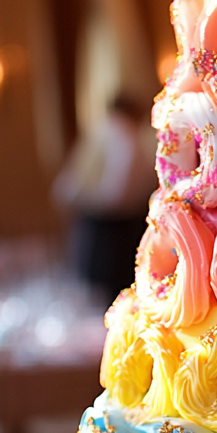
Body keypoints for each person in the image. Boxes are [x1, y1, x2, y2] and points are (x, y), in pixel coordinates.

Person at [53, 93, 156, 303]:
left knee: (96, 294)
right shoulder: (127, 138)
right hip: (116, 231)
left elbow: (65, 188)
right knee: (117, 294)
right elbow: (118, 194)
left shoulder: (97, 133)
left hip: (98, 224)